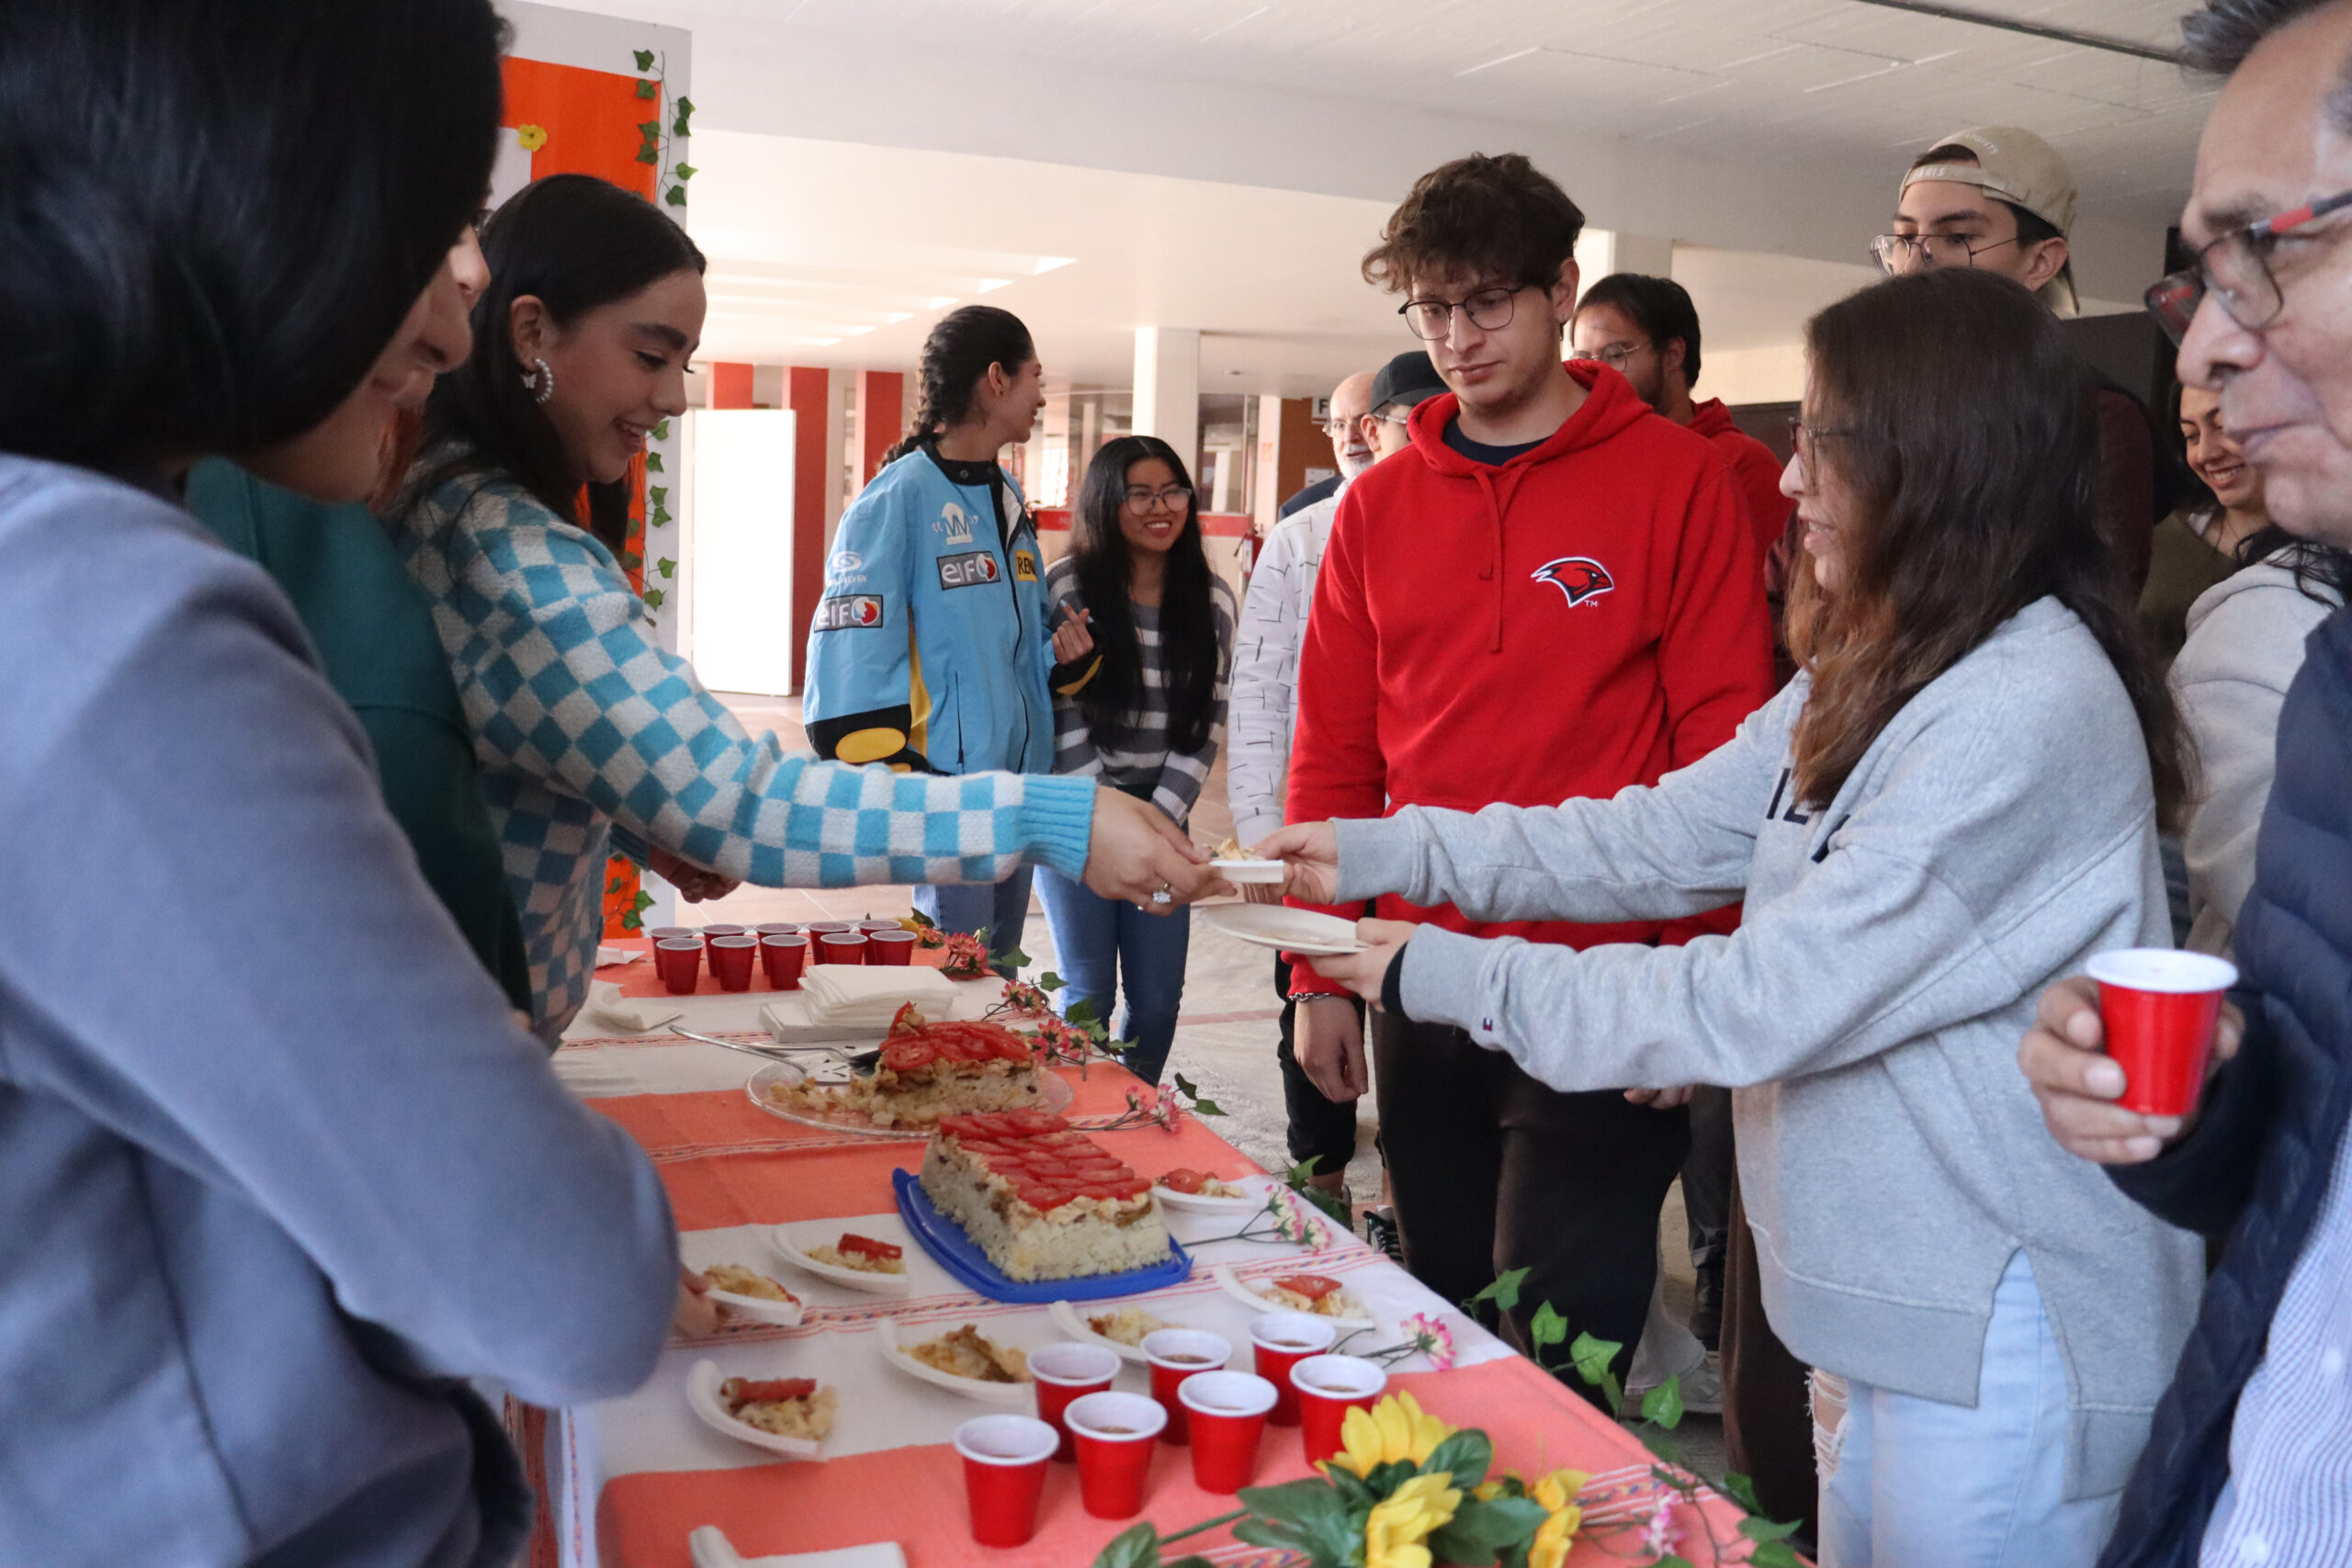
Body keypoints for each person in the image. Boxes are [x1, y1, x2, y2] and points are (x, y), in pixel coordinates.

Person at [1270, 267, 2204, 1568]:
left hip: (2001, 1333)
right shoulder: (1881, 663)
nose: (1785, 478)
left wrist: (1424, 962)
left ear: (1938, 457)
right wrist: (1380, 844)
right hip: (1894, 1311)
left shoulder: (2020, 706)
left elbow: (1752, 998)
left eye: (1820, 437)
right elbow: (1655, 831)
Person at [0, 3, 689, 1562]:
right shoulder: (112, 624)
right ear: (253, 193)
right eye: (430, 234)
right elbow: (567, 1284)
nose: (444, 326)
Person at [394, 182, 1207, 1038]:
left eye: (687, 365)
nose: (673, 399)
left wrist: (638, 819)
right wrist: (1046, 810)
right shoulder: (514, 558)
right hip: (464, 1044)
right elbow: (741, 798)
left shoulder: (1006, 498)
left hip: (999, 774)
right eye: (649, 356)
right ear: (530, 332)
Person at [1282, 151, 1772, 1400]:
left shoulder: (1679, 483)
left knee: (1563, 1342)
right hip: (1419, 973)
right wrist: (1316, 968)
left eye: (1486, 302)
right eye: (1431, 309)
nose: (1456, 337)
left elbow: (1724, 746)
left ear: (1563, 290)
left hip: (1605, 979)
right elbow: (1335, 751)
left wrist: (1689, 976)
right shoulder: (1378, 512)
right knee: (1440, 1313)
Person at [2017, 6, 2352, 1562]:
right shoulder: (2336, 696)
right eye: (2200, 282)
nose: (2208, 349)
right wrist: (2198, 1108)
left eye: (2260, 258)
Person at [802, 303, 1078, 966]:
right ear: (996, 379)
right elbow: (849, 642)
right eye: (1035, 377)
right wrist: (899, 774)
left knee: (999, 965)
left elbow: (1013, 643)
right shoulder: (899, 497)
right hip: (945, 791)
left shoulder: (1008, 494)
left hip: (1015, 783)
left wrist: (1065, 656)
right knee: (956, 973)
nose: (1043, 395)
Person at [1879, 126, 2173, 594]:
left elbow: (2092, 613)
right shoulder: (1865, 404)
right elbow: (1790, 591)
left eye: (1957, 236)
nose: (1916, 263)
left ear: (2040, 263)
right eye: (1904, 236)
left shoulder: (2094, 421)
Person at [1036, 437, 1237, 1088]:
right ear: (1105, 503)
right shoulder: (1068, 588)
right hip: (1077, 808)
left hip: (1162, 813)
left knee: (1155, 1001)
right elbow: (1062, 714)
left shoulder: (1210, 601)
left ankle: (1132, 1113)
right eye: (1141, 494)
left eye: (1173, 491)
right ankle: (1079, 1119)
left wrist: (1154, 824)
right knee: (1087, 992)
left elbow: (1204, 725)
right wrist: (1101, 818)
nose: (1162, 508)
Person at [1229, 368, 1385, 1194]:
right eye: (1342, 422)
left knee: (1412, 1021)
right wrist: (1261, 836)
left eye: (1374, 419)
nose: (1357, 434)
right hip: (1310, 821)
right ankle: (1320, 1182)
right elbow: (1260, 690)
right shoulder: (1300, 536)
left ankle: (1400, 1195)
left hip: (1417, 833)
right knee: (1312, 1002)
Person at [1572, 272, 1790, 571]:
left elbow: (1776, 601)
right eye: (1583, 358)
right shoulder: (1586, 462)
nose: (1595, 374)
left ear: (1673, 354)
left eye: (1615, 355)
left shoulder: (1741, 463)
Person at [2139, 385, 2274, 661]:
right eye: (2192, 436)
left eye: (2224, 426)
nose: (2205, 454)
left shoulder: (2334, 547)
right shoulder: (2159, 545)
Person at [1276, 372, 1374, 520]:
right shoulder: (1300, 510)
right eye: (1339, 425)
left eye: (1361, 422)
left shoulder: (1418, 492)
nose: (1348, 437)